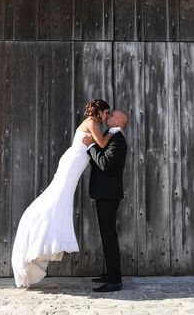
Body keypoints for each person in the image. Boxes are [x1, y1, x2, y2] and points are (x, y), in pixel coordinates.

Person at [11, 99, 117, 288]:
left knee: (59, 200)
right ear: (99, 112)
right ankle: (36, 230)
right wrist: (113, 131)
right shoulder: (92, 122)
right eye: (107, 113)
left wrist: (99, 138)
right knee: (56, 199)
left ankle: (41, 235)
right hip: (71, 164)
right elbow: (101, 144)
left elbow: (96, 144)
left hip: (73, 164)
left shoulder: (93, 123)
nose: (107, 117)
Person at [82, 109, 129, 293]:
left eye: (111, 116)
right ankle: (110, 274)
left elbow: (104, 163)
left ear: (118, 121)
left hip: (109, 195)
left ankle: (115, 280)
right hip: (104, 194)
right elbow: (98, 162)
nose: (107, 117)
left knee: (109, 236)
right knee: (106, 235)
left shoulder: (118, 140)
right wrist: (94, 146)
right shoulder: (109, 137)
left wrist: (91, 146)